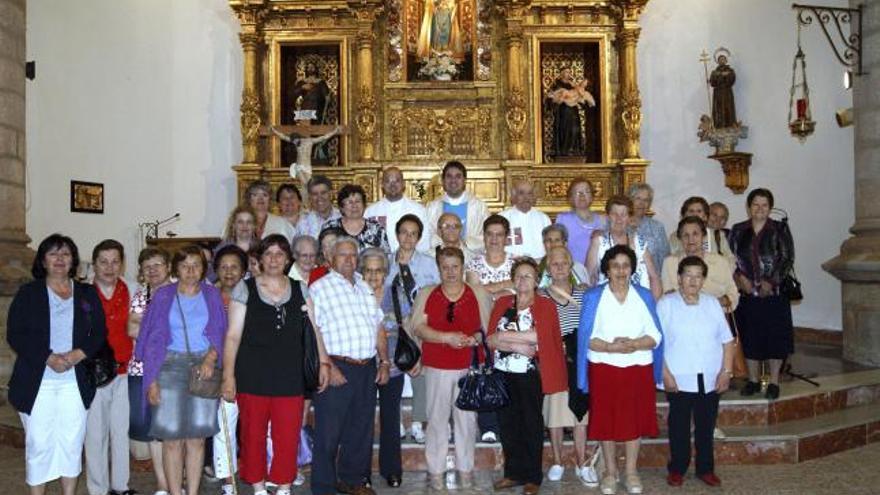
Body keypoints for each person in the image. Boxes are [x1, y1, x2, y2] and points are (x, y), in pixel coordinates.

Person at [8, 234, 106, 495]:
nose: (60, 259)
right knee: (39, 444)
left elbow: (98, 333)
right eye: (53, 253)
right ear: (43, 260)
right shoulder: (29, 293)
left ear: (73, 259)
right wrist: (48, 357)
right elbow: (15, 333)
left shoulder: (86, 293)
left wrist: (76, 355)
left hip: (74, 382)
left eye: (65, 253)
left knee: (72, 443)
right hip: (38, 381)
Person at [221, 235, 313, 495]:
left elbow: (313, 330)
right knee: (253, 435)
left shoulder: (300, 288)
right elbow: (233, 335)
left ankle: (284, 486)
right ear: (259, 259)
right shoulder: (244, 288)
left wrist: (324, 362)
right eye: (268, 253)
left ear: (287, 259)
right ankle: (258, 486)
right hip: (252, 375)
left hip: (290, 375)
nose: (274, 259)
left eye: (280, 254)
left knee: (288, 435)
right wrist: (228, 376)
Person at [136, 245, 227, 495]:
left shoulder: (212, 295)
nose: (190, 270)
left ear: (203, 269)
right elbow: (150, 338)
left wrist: (210, 358)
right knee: (172, 438)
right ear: (176, 268)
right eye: (185, 265)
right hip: (168, 367)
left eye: (196, 265)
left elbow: (220, 331)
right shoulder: (164, 295)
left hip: (203, 367)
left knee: (197, 438)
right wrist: (151, 380)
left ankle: (193, 491)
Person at [576, 245, 663, 495]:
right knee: (606, 421)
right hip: (604, 367)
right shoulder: (593, 296)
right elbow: (586, 339)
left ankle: (632, 472)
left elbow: (655, 335)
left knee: (633, 420)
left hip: (638, 367)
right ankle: (610, 472)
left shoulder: (644, 296)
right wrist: (610, 348)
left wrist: (634, 344)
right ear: (607, 269)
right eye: (615, 265)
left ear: (633, 269)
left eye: (626, 265)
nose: (621, 271)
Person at [309, 236, 390, 495]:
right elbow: (313, 330)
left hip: (366, 368)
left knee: (361, 429)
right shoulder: (319, 288)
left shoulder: (364, 287)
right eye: (342, 255)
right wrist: (326, 364)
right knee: (328, 434)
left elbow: (377, 326)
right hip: (336, 367)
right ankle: (323, 487)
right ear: (331, 258)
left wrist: (385, 361)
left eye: (353, 255)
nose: (348, 259)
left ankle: (353, 480)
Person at [411, 247, 492, 490]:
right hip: (437, 366)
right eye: (445, 267)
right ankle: (436, 470)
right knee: (436, 421)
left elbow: (487, 328)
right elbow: (418, 328)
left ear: (463, 267)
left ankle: (465, 469)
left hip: (469, 367)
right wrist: (446, 337)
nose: (450, 272)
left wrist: (475, 338)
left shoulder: (476, 293)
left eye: (455, 266)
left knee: (467, 421)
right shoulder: (428, 294)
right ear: (438, 268)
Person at [487, 258, 567, 495]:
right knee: (508, 425)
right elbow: (491, 339)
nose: (522, 280)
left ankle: (533, 477)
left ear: (536, 281)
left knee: (531, 425)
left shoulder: (545, 305)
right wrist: (518, 346)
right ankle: (513, 473)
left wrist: (506, 337)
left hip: (531, 376)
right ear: (513, 279)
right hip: (503, 374)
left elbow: (539, 337)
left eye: (528, 276)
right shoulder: (502, 302)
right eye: (519, 276)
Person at [659, 256, 734, 488]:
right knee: (679, 426)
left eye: (698, 276)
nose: (693, 280)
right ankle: (677, 468)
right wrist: (665, 374)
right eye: (688, 275)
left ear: (703, 280)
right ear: (679, 278)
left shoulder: (712, 303)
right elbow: (657, 343)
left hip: (710, 377)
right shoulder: (666, 304)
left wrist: (726, 372)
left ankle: (705, 469)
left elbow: (727, 340)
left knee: (706, 425)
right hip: (679, 378)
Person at [730, 188, 795, 400]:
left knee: (775, 338)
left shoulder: (779, 228)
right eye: (755, 204)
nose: (760, 209)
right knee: (750, 337)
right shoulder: (738, 230)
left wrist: (771, 281)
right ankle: (753, 380)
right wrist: (740, 278)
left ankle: (774, 382)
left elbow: (787, 258)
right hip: (748, 294)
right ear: (749, 207)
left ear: (770, 207)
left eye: (764, 205)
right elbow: (729, 259)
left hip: (774, 294)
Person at [541, 246, 598, 486]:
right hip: (555, 360)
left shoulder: (585, 292)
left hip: (580, 361)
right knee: (555, 414)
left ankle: (582, 462)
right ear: (548, 268)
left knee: (580, 414)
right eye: (554, 264)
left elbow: (593, 325)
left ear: (571, 264)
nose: (560, 267)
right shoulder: (541, 295)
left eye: (564, 262)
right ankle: (557, 461)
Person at [385, 215, 440, 446]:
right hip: (392, 325)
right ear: (396, 235)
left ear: (419, 238)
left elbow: (436, 294)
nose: (408, 237)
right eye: (404, 232)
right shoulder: (386, 261)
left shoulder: (428, 263)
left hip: (418, 323)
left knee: (420, 374)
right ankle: (395, 421)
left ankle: (418, 423)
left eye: (413, 233)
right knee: (394, 373)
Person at [85, 240, 133, 495]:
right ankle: (98, 489)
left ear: (122, 264)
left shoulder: (133, 290)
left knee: (120, 432)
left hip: (124, 372)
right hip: (94, 374)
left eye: (115, 261)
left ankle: (121, 486)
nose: (109, 267)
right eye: (103, 261)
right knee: (95, 435)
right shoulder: (82, 294)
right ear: (94, 264)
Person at [359, 248, 405, 488]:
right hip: (362, 367)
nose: (373, 276)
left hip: (393, 367)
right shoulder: (354, 294)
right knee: (362, 421)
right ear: (361, 272)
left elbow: (407, 325)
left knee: (390, 418)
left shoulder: (395, 293)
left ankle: (392, 470)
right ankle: (361, 473)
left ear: (386, 272)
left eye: (378, 271)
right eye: (368, 270)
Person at [128, 247, 172, 495]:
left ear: (168, 266)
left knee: (174, 429)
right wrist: (159, 329)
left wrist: (147, 326)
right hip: (142, 369)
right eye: (147, 267)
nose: (153, 270)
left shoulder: (180, 292)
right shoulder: (140, 295)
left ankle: (179, 479)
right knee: (153, 430)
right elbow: (131, 330)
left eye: (157, 264)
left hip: (172, 369)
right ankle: (163, 484)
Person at [211, 244, 248, 495]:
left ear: (244, 270)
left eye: (234, 267)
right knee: (223, 426)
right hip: (219, 368)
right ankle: (227, 480)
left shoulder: (253, 293)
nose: (229, 272)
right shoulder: (207, 295)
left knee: (254, 426)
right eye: (223, 267)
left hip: (251, 367)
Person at [587, 195, 662, 300]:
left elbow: (654, 278)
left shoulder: (639, 242)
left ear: (629, 218)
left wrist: (653, 306)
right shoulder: (598, 242)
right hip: (607, 302)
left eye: (623, 214)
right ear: (608, 216)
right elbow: (589, 277)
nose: (619, 219)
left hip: (639, 302)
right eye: (614, 214)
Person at [662, 217, 738, 314]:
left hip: (715, 315)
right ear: (680, 239)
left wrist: (716, 303)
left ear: (704, 236)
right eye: (685, 235)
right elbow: (667, 296)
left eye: (695, 234)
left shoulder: (720, 261)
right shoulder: (670, 263)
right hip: (681, 317)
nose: (691, 239)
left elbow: (732, 294)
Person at [426, 161, 490, 252]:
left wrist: (465, 243)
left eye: (458, 176)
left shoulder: (479, 207)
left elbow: (487, 234)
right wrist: (446, 244)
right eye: (449, 176)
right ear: (443, 181)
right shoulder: (433, 207)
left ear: (464, 180)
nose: (453, 180)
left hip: (471, 257)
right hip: (441, 256)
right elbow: (428, 234)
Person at [365, 166, 431, 253]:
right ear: (382, 184)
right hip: (381, 262)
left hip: (411, 261)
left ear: (403, 184)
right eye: (388, 181)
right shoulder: (371, 211)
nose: (393, 184)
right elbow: (367, 241)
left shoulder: (418, 210)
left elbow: (424, 241)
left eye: (397, 181)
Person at [320, 184, 390, 253]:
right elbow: (322, 255)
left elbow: (385, 256)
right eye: (350, 202)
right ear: (341, 207)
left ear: (364, 205)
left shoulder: (376, 228)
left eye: (358, 201)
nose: (354, 206)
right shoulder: (330, 227)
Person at [668, 196, 735, 264]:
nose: (695, 214)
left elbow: (731, 259)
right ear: (683, 215)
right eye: (691, 211)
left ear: (705, 216)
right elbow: (673, 261)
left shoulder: (717, 235)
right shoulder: (675, 237)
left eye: (699, 211)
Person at [555, 178, 604, 267]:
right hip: (573, 272)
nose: (582, 196)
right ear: (570, 198)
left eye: (586, 192)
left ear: (592, 196)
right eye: (577, 192)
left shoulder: (603, 221)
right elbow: (558, 249)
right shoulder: (563, 219)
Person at [465, 214, 515, 299]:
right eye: (489, 234)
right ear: (484, 236)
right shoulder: (473, 264)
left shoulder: (517, 263)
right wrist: (506, 285)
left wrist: (487, 290)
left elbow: (523, 291)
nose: (494, 239)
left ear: (506, 238)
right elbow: (474, 295)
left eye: (499, 234)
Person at [499, 180, 552, 259]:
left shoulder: (543, 218)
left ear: (534, 197)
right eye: (521, 193)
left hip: (538, 264)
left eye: (530, 193)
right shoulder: (502, 218)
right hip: (511, 263)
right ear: (513, 196)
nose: (526, 197)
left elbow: (551, 244)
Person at [547, 68, 593, 157]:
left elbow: (580, 96)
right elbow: (550, 99)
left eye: (569, 72)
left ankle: (574, 149)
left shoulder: (573, 85)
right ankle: (564, 150)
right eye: (565, 72)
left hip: (573, 112)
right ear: (561, 74)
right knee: (564, 130)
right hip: (563, 112)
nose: (567, 74)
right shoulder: (556, 85)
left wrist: (581, 100)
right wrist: (558, 100)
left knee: (575, 129)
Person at [628, 183, 670, 272]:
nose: (641, 203)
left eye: (646, 200)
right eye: (638, 198)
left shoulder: (657, 227)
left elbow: (665, 259)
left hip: (652, 280)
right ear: (630, 200)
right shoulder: (620, 224)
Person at [710, 53, 737, 129]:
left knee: (728, 108)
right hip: (718, 93)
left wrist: (721, 76)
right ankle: (719, 125)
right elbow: (712, 82)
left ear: (726, 60)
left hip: (727, 93)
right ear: (718, 61)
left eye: (723, 59)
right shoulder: (714, 72)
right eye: (720, 60)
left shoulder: (730, 71)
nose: (722, 61)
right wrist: (722, 75)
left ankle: (729, 124)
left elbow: (732, 80)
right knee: (718, 109)